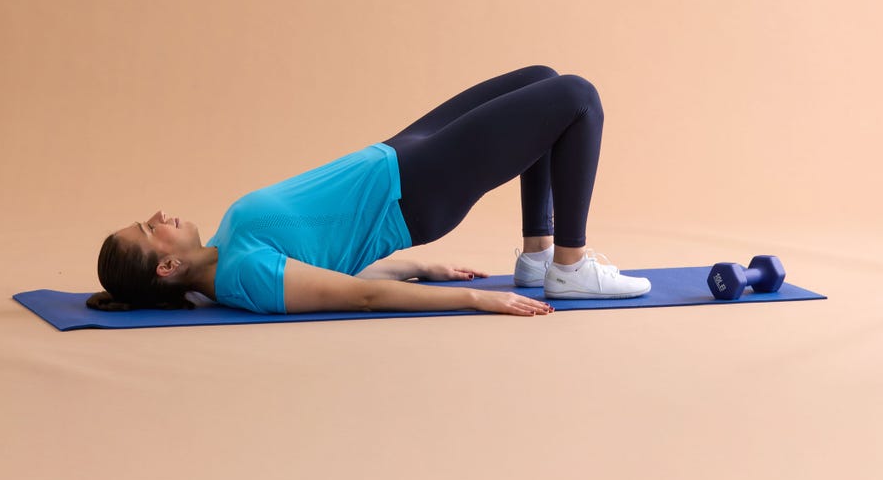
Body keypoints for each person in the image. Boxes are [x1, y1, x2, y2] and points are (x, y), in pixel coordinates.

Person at [87, 64, 650, 319]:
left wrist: (420, 269)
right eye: (148, 227)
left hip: (399, 156)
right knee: (576, 97)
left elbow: (338, 273)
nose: (158, 215)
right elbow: (357, 298)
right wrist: (475, 300)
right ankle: (570, 268)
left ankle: (538, 259)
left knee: (540, 80)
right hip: (413, 191)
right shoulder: (243, 275)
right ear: (164, 267)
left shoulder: (225, 251)